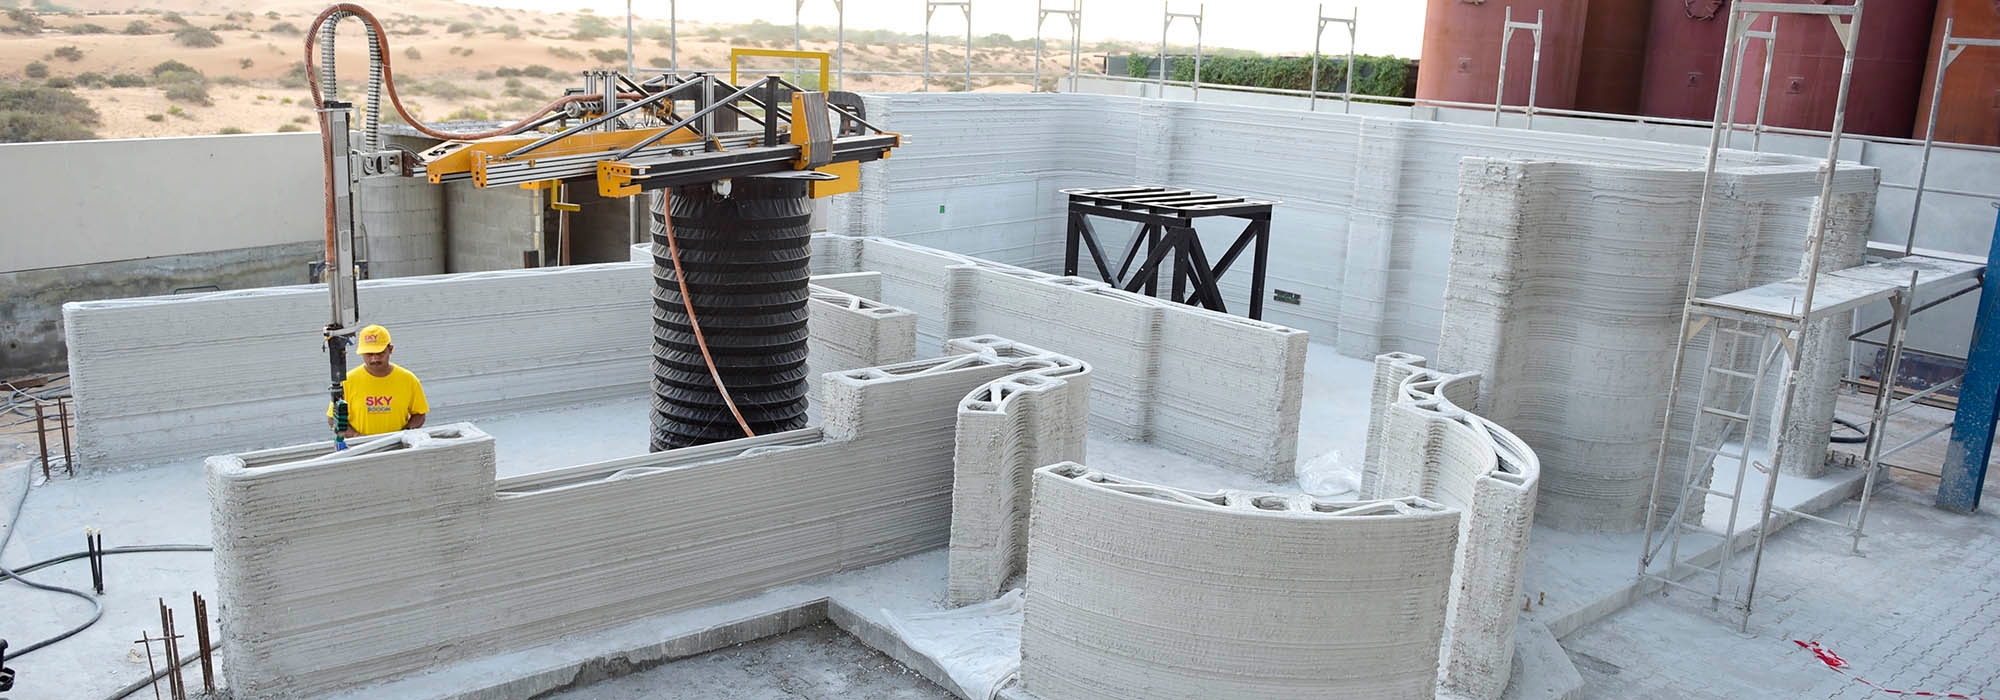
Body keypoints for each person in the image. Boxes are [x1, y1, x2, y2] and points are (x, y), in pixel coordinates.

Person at [326, 324, 429, 437]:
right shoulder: (348, 381)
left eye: (380, 353)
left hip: (397, 449)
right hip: (361, 450)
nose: (374, 359)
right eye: (369, 354)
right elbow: (333, 419)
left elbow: (419, 414)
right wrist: (356, 436)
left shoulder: (408, 380)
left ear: (390, 349)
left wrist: (405, 434)